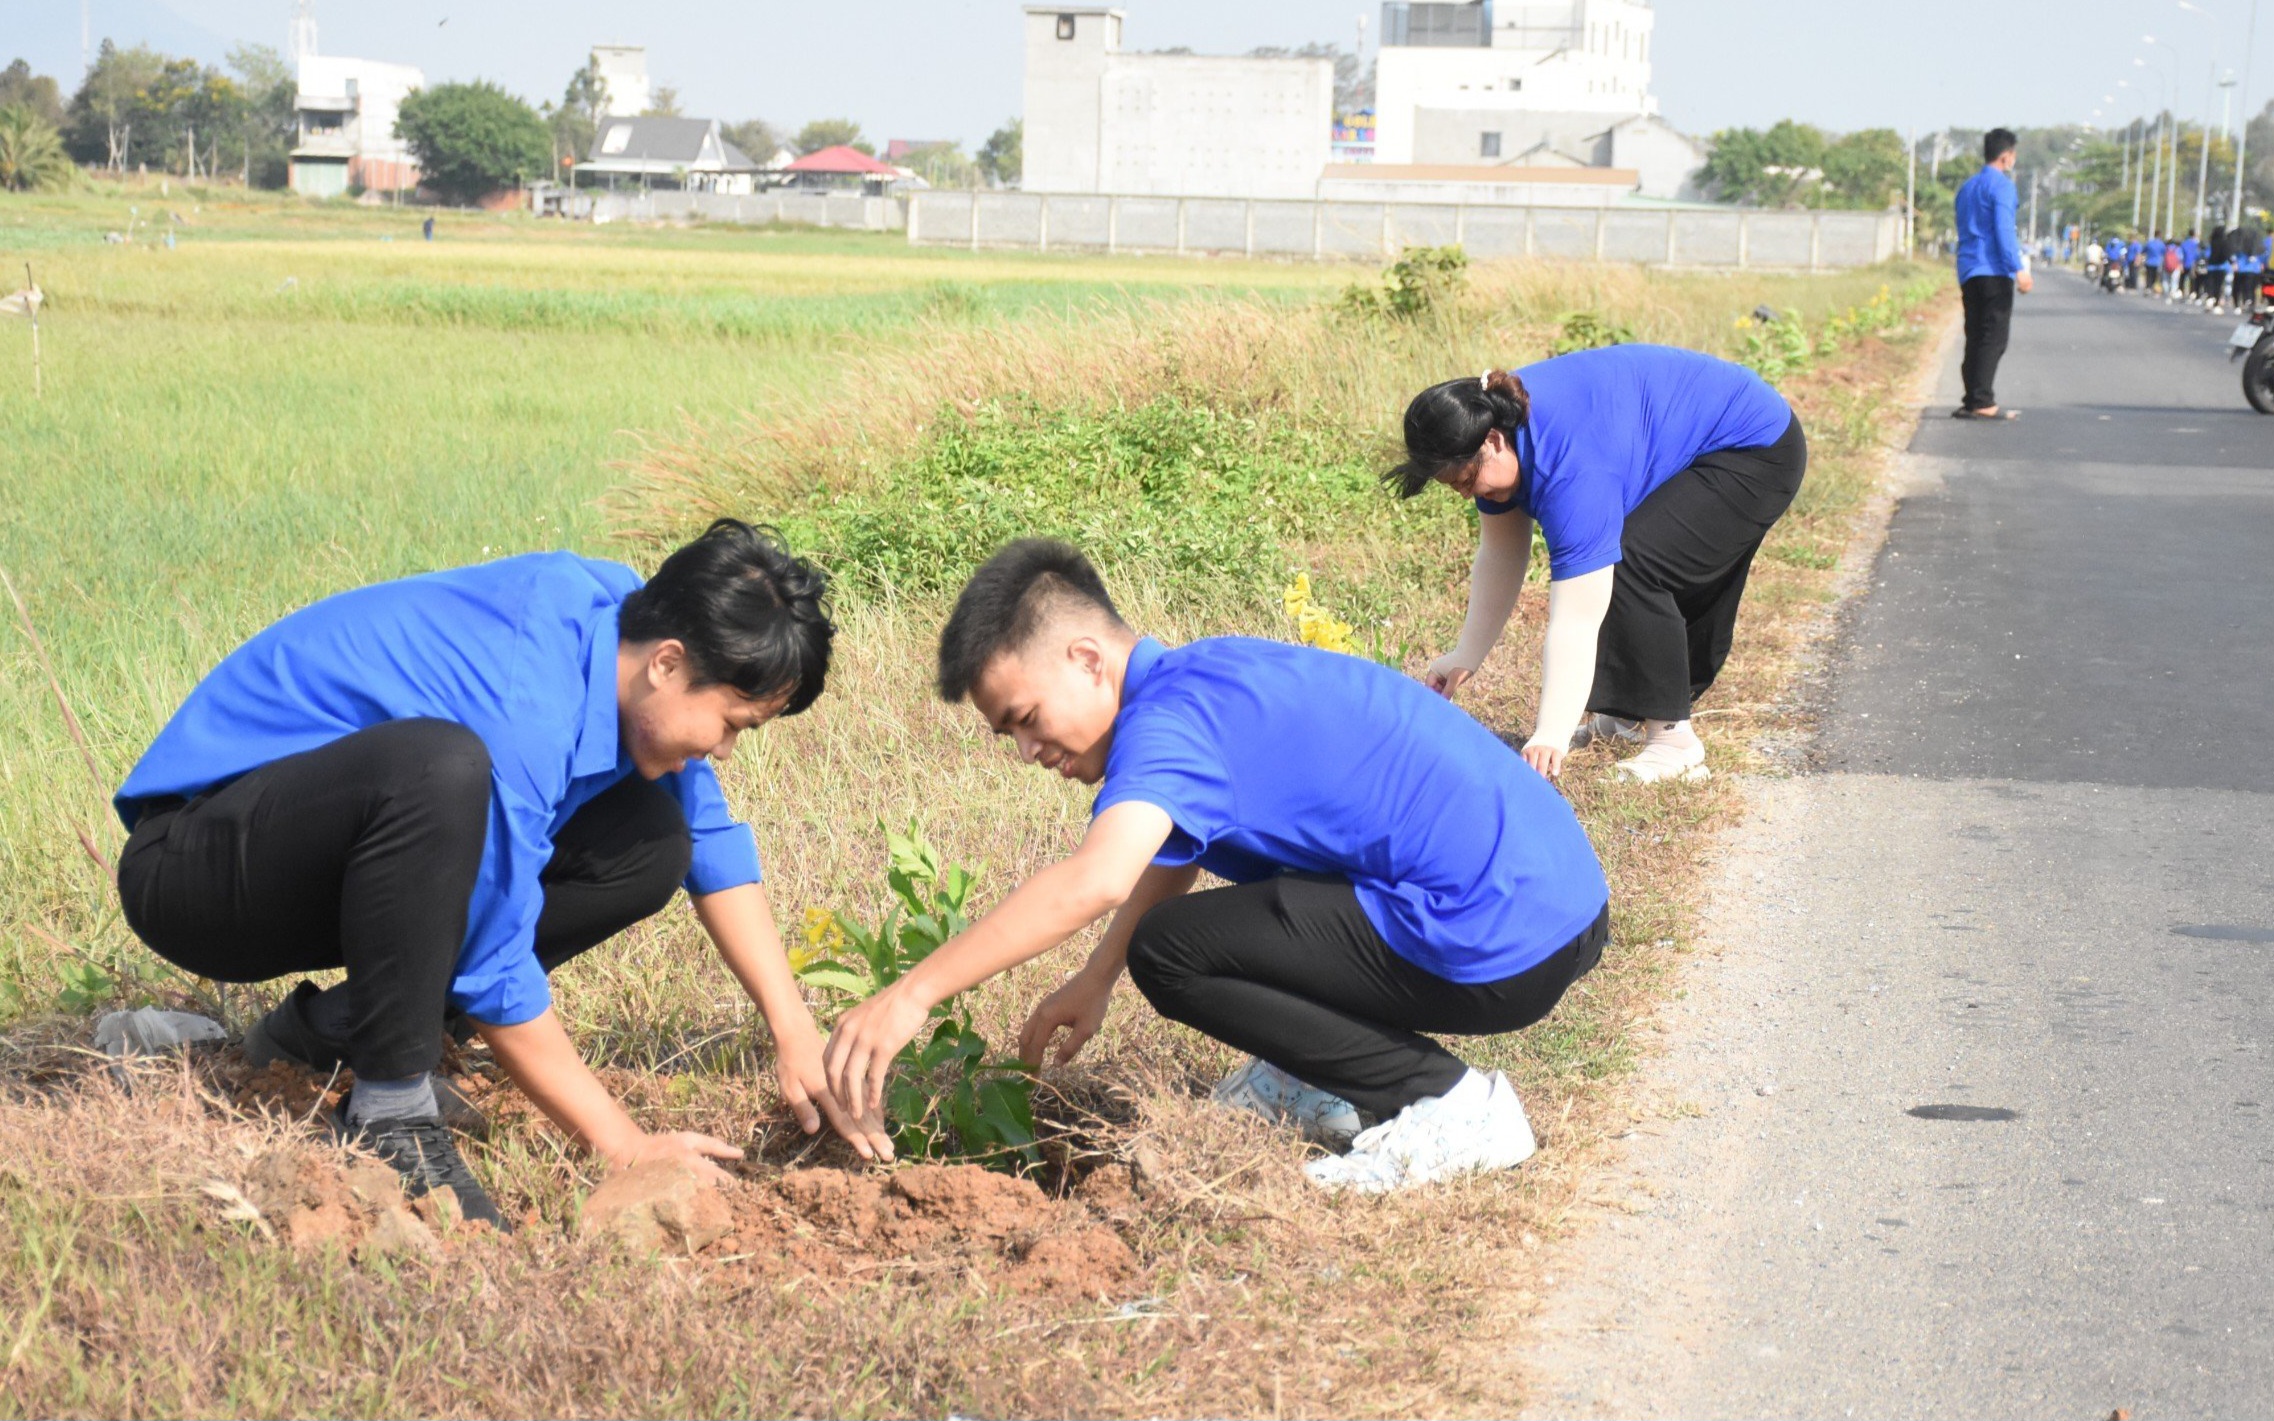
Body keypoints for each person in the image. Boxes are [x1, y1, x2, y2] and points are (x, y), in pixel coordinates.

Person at [113, 520, 874, 1226]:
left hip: (332, 848)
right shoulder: (523, 704)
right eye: (732, 724)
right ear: (668, 662)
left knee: (652, 841)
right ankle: (391, 1108)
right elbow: (493, 958)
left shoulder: (618, 619)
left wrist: (792, 1025)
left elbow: (706, 833)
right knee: (441, 769)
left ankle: (325, 1034)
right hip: (196, 870)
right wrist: (625, 1145)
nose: (726, 748)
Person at [819, 540, 1611, 1194]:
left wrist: (912, 992)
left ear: (1088, 659)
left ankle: (1448, 1103)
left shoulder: (1167, 725)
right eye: (1009, 737)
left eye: (1026, 719)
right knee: (1183, 928)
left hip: (1499, 934)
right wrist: (1095, 978)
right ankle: (1320, 1074)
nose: (1030, 752)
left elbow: (1097, 878)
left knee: (1170, 952)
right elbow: (1167, 856)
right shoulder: (1205, 675)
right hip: (1557, 905)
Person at [1386, 348, 1805, 785]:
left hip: (1755, 448)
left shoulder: (1570, 467)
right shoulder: (1498, 431)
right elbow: (1501, 556)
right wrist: (1464, 655)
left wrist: (1551, 732)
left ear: (1492, 443)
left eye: (1467, 481)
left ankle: (1673, 742)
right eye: (1453, 487)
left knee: (1633, 560)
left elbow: (1576, 619)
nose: (1465, 495)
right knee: (1621, 552)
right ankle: (1623, 715)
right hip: (1694, 437)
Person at [1953, 128, 2033, 418]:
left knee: (1975, 334)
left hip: (1968, 268)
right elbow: (2003, 229)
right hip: (1994, 269)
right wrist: (2018, 268)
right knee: (1993, 336)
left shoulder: (1967, 187)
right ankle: (1983, 401)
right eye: (2013, 155)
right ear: (2006, 156)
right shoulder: (2002, 187)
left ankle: (1972, 398)